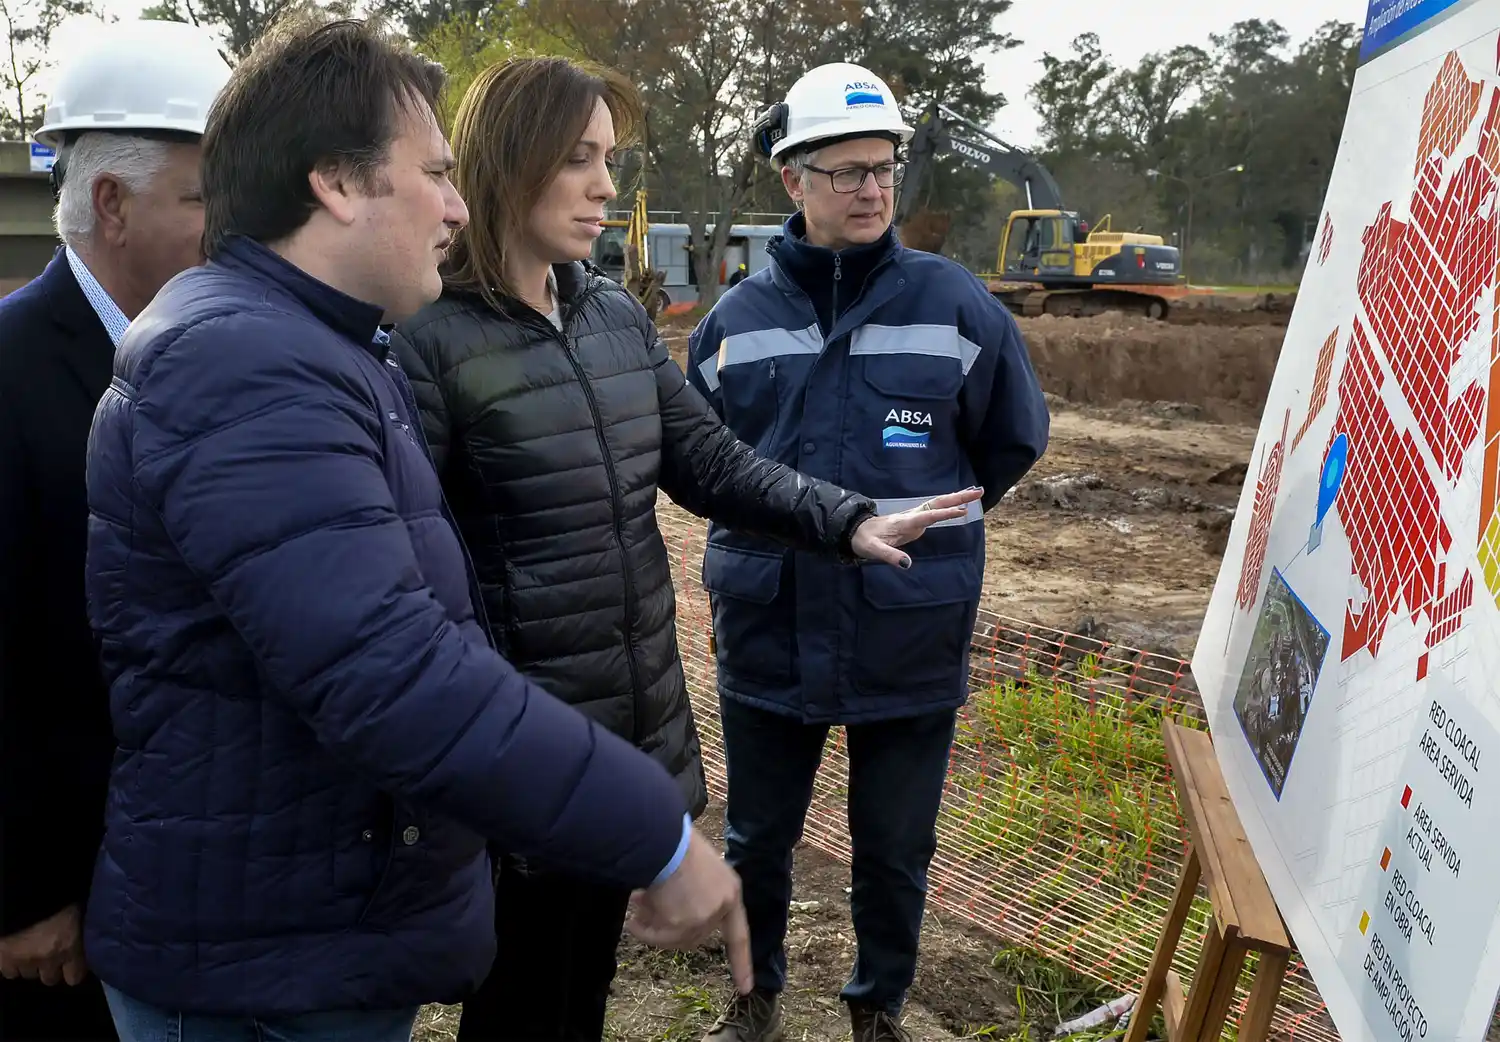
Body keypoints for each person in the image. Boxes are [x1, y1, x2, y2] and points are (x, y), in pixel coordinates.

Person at [79, 16, 777, 1041]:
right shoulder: (244, 366)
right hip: (260, 971)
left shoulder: (319, 351)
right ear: (337, 182)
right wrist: (653, 833)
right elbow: (394, 671)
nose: (457, 206)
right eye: (435, 173)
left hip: (311, 932)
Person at [388, 55, 982, 1042]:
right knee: (519, 991)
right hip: (519, 744)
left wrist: (844, 518)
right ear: (507, 163)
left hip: (625, 738)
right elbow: (409, 573)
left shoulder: (613, 316)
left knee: (582, 982)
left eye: (609, 158)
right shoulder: (429, 341)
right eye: (578, 158)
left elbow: (709, 460)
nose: (605, 186)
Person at [685, 62, 1052, 1042]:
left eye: (883, 169)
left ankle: (878, 1006)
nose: (871, 189)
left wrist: (935, 545)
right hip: (769, 624)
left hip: (906, 631)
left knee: (894, 847)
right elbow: (710, 462)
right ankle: (754, 995)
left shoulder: (957, 304)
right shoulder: (733, 324)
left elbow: (1011, 439)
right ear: (792, 178)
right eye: (846, 171)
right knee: (759, 839)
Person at [0, 21, 229, 1041]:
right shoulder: (8, 370)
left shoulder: (210, 357)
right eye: (201, 197)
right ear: (110, 202)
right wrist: (25, 889)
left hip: (183, 877)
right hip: (61, 910)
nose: (228, 227)